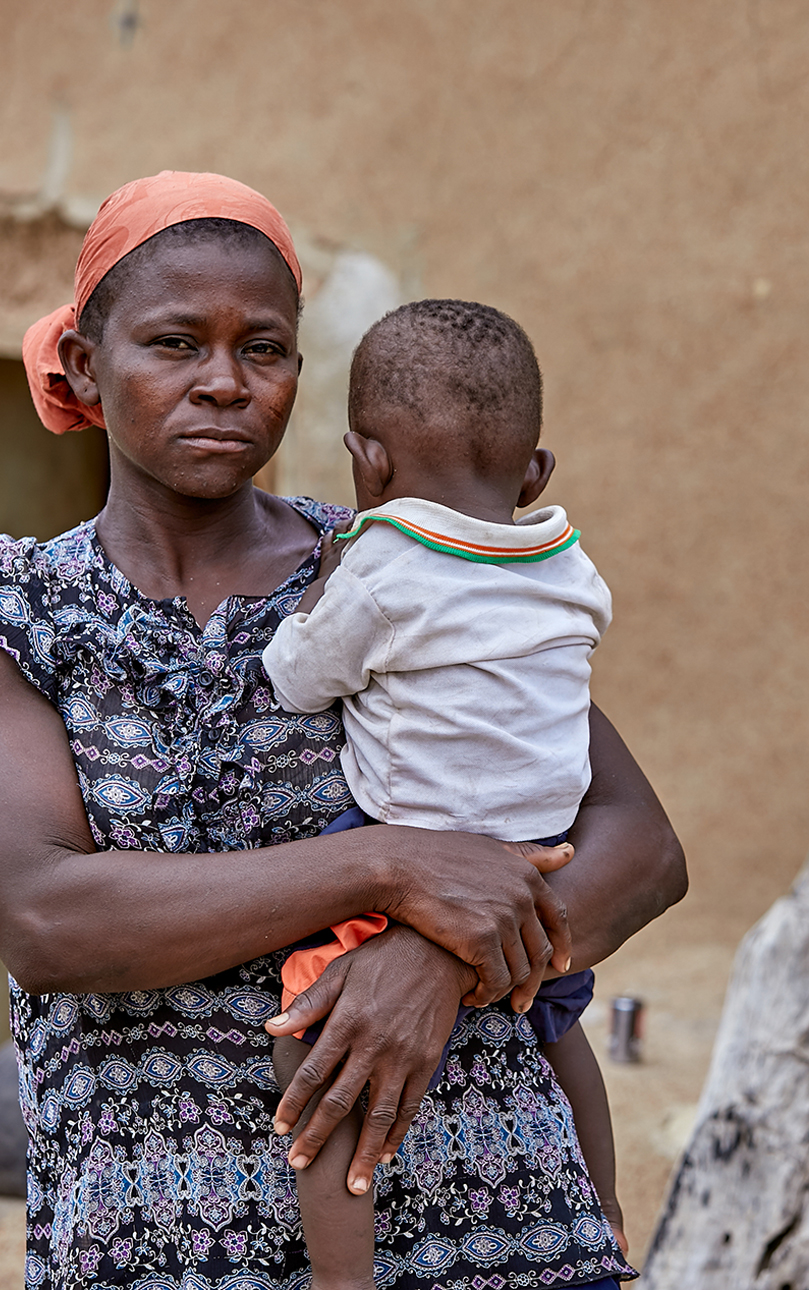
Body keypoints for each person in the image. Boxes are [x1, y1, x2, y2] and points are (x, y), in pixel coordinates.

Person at [0, 171, 685, 1290]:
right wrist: (387, 866)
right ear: (83, 363)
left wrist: (434, 963)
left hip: (501, 1226)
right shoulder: (2, 614)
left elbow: (639, 848)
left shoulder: (399, 561)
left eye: (262, 350)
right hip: (155, 1247)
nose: (224, 382)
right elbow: (49, 918)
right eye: (176, 343)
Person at [260, 299, 623, 1288]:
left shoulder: (385, 570)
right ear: (534, 471)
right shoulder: (570, 569)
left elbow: (295, 677)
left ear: (366, 461)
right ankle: (606, 1216)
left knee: (309, 1040)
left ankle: (340, 1277)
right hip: (539, 858)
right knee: (557, 1026)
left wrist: (321, 585)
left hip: (412, 844)